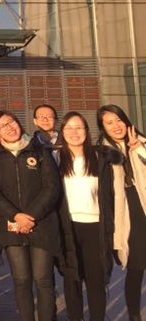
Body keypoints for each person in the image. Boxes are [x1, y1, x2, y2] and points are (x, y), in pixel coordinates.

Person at [0, 110, 60, 321]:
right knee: (21, 280)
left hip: (41, 224)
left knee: (43, 279)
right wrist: (16, 216)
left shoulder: (39, 150)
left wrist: (31, 216)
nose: (9, 127)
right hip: (11, 226)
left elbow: (52, 187)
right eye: (2, 126)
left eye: (11, 122)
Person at [56, 112, 119, 321]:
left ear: (86, 131)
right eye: (69, 128)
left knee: (96, 281)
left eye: (79, 127)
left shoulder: (101, 157)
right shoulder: (56, 159)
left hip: (95, 226)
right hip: (68, 226)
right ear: (62, 132)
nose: (74, 132)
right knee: (72, 280)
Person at [97, 104, 146, 320]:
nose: (116, 126)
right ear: (103, 128)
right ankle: (134, 315)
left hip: (143, 206)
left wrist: (139, 149)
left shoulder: (142, 142)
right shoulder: (102, 153)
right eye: (109, 123)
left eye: (119, 120)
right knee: (136, 268)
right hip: (126, 214)